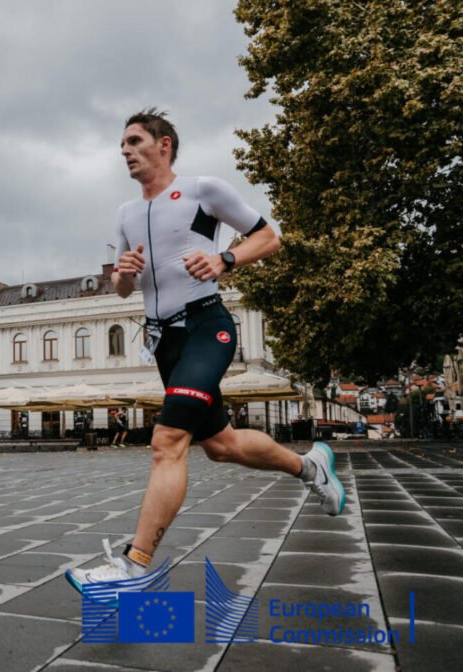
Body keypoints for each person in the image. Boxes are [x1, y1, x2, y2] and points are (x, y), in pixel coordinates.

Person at [67, 108, 345, 593]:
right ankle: (310, 466)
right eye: (122, 147)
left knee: (167, 441)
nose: (125, 152)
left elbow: (269, 236)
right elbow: (120, 290)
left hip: (206, 327)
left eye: (134, 142)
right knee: (222, 446)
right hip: (163, 341)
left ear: (164, 144)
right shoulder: (126, 214)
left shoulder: (203, 191)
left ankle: (135, 566)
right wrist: (125, 272)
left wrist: (224, 258)